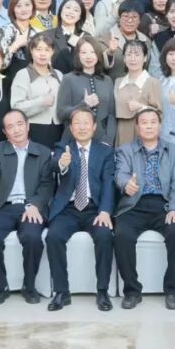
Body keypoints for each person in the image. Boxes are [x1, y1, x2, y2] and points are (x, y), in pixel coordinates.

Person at [114, 107, 175, 310]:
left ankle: (173, 291)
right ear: (137, 127)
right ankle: (132, 291)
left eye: (153, 122)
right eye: (144, 123)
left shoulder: (174, 151)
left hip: (163, 205)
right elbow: (120, 174)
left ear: (160, 125)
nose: (148, 126)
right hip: (134, 204)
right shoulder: (125, 150)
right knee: (122, 234)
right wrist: (126, 185)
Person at [45, 107, 117, 312]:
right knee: (53, 237)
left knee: (104, 236)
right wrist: (62, 164)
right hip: (68, 209)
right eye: (77, 123)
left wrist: (105, 211)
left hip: (95, 209)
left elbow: (108, 182)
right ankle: (61, 292)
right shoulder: (63, 147)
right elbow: (53, 165)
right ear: (71, 127)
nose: (82, 127)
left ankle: (102, 291)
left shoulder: (105, 151)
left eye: (86, 123)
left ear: (94, 127)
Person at [0, 110, 55, 304]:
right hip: (2, 207)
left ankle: (29, 286)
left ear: (28, 126)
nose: (16, 130)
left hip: (30, 207)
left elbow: (47, 185)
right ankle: (0, 287)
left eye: (20, 124)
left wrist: (35, 205)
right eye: (10, 127)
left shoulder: (43, 152)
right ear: (5, 132)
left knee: (32, 238)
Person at [56, 36, 117, 145]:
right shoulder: (68, 79)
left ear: (98, 55)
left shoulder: (107, 80)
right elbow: (61, 114)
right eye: (83, 52)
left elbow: (111, 115)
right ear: (78, 55)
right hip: (74, 140)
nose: (88, 56)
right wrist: (84, 104)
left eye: (92, 52)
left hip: (101, 141)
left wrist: (108, 139)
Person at [10, 33, 64, 146]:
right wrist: (41, 102)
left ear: (52, 52)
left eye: (47, 50)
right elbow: (16, 106)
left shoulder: (58, 74)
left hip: (58, 128)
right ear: (31, 50)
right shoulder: (23, 74)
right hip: (34, 128)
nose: (43, 54)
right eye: (38, 49)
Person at [113, 40, 162, 147]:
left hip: (143, 135)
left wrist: (141, 107)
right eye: (129, 54)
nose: (133, 59)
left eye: (137, 54)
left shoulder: (153, 82)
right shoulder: (118, 82)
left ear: (145, 58)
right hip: (121, 133)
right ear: (124, 58)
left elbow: (159, 114)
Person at [0, 0, 37, 78]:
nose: (24, 9)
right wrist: (15, 45)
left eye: (27, 5)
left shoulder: (36, 34)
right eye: (18, 6)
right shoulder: (5, 31)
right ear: (13, 9)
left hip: (33, 79)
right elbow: (0, 65)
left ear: (33, 7)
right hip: (10, 79)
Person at [51, 0, 89, 74]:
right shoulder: (47, 35)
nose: (71, 12)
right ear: (61, 10)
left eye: (76, 10)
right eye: (68, 7)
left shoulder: (86, 37)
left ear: (80, 16)